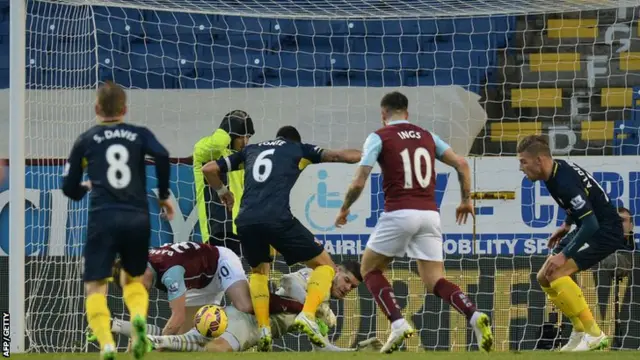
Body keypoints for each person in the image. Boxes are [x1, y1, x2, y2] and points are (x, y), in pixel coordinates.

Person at [334, 91, 493, 353]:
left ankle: (397, 324)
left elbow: (360, 178)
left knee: (369, 269)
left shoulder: (379, 136)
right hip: (430, 215)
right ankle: (474, 315)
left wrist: (344, 208)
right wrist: (466, 200)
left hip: (399, 212)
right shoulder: (428, 136)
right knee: (435, 281)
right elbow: (462, 163)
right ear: (407, 114)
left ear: (383, 114)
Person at [201, 126, 361, 351]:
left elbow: (209, 169)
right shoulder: (297, 149)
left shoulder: (251, 150)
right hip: (277, 218)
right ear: (294, 140)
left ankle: (264, 328)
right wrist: (371, 154)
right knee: (326, 266)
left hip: (245, 220)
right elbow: (338, 156)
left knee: (259, 272)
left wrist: (223, 192)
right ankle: (307, 314)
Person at [61, 81, 175, 360]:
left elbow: (68, 186)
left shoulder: (86, 139)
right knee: (133, 280)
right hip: (137, 217)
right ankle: (137, 318)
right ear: (125, 109)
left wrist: (82, 189)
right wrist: (162, 195)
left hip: (103, 217)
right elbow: (162, 155)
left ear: (97, 108)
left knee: (95, 286)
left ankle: (107, 344)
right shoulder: (139, 134)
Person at [516, 134, 626, 351]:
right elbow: (581, 202)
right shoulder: (556, 170)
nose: (521, 168)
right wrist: (566, 225)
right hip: (590, 225)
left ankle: (595, 334)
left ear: (539, 160)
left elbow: (591, 224)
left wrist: (564, 254)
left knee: (556, 272)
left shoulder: (562, 182)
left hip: (605, 231)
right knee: (543, 277)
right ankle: (579, 330)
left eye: (523, 162)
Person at [147, 261, 364, 353]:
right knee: (215, 350)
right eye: (346, 280)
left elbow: (320, 347)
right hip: (247, 320)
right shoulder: (320, 280)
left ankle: (138, 335)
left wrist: (350, 351)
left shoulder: (321, 303)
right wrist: (309, 307)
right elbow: (288, 281)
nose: (347, 288)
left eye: (352, 287)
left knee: (187, 343)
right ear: (336, 270)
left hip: (252, 327)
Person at [109, 241, 252, 336]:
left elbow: (178, 317)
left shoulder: (170, 272)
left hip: (219, 262)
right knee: (182, 338)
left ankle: (270, 300)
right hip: (198, 284)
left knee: (245, 306)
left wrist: (157, 346)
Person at [193, 110, 254, 256]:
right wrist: (230, 125)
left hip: (242, 229)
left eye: (248, 137)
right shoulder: (205, 149)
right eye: (241, 136)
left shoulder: (242, 158)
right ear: (231, 135)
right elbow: (217, 143)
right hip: (218, 230)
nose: (245, 142)